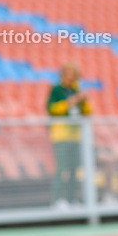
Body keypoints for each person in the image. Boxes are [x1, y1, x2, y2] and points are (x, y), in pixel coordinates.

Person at [47, 62, 91, 208]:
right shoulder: (57, 90)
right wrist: (71, 102)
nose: (71, 77)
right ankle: (58, 200)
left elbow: (87, 112)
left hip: (75, 135)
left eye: (74, 75)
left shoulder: (76, 90)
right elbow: (52, 109)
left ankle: (72, 199)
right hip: (61, 135)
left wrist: (83, 101)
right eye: (68, 74)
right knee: (62, 168)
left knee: (74, 169)